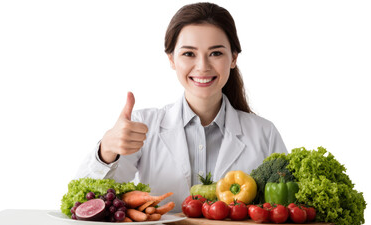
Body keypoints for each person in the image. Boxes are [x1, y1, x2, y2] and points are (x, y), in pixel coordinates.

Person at [76, 2, 287, 212]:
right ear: (171, 59)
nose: (203, 66)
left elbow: (288, 209)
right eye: (189, 54)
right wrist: (107, 150)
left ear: (233, 58)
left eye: (216, 53)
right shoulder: (142, 126)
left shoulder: (264, 134)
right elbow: (85, 202)